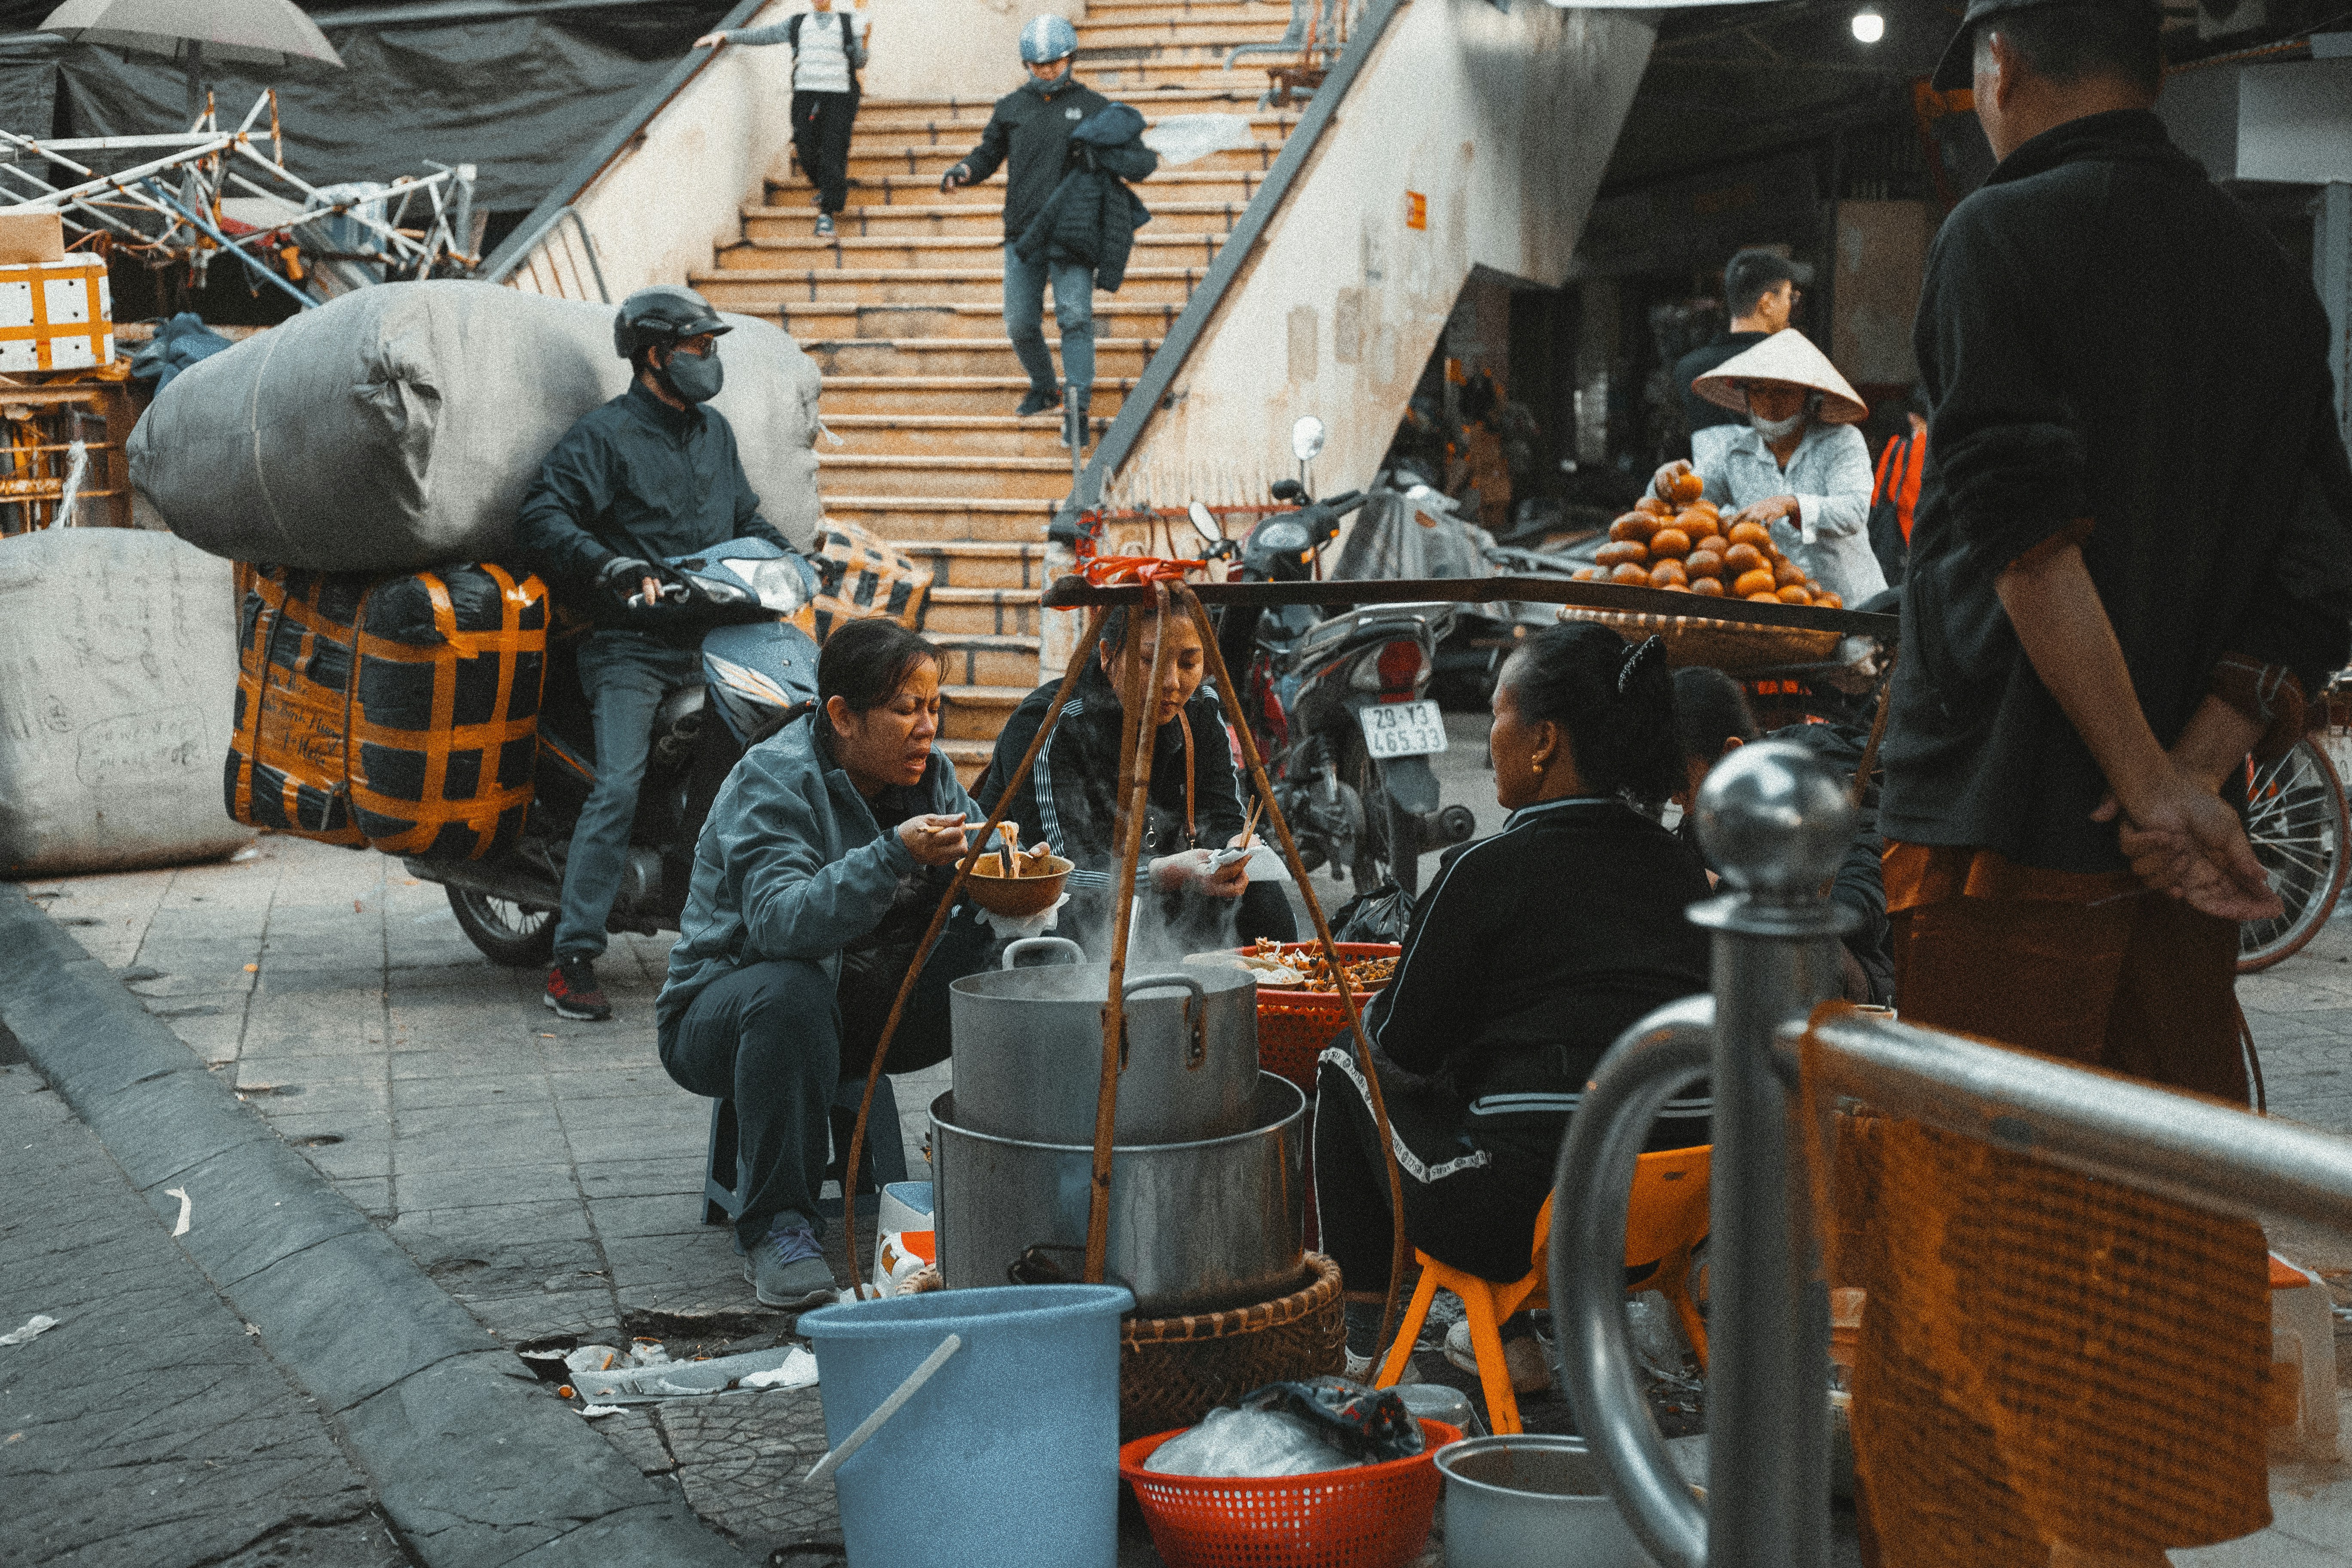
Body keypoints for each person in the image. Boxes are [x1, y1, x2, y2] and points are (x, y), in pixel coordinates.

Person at [1855, 2, 2352, 1564]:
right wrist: (2199, 777)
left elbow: (2019, 534)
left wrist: (2145, 781)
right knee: (2145, 1244)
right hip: (2162, 884)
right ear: (2159, 69)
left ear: (1997, 66)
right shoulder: (2266, 281)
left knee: (1974, 1262)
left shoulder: (1999, 236)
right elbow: (2315, 569)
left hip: (2006, 839)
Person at [1314, 626, 1712, 1390]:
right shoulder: (1679, 866)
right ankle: (1507, 1332)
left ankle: (1357, 1343)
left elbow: (1401, 1046)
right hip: (1675, 1210)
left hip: (1526, 1215)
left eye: (1498, 714)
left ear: (1542, 740)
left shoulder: (1483, 869)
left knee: (1345, 1058)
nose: (1490, 734)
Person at [656, 620, 993, 1308]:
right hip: (725, 1014)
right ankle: (777, 1225)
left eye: (934, 708)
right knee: (790, 992)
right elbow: (781, 924)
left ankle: (1008, 1189)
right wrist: (892, 853)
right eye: (906, 710)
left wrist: (1149, 881)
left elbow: (1000, 865)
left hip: (865, 1004)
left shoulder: (933, 779)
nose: (927, 729)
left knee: (1011, 953)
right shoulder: (776, 779)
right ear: (841, 715)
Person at [515, 285, 799, 1023]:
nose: (710, 360)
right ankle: (573, 955)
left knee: (767, 759)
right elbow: (544, 512)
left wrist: (788, 556)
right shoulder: (604, 437)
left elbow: (745, 517)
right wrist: (604, 564)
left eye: (712, 347)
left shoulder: (715, 435)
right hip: (629, 646)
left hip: (712, 636)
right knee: (617, 784)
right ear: (652, 355)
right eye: (697, 347)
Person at [976, 604, 1295, 951]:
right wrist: (1163, 873)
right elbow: (1059, 872)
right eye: (1151, 662)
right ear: (1107, 654)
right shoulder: (1048, 725)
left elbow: (1223, 819)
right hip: (1051, 912)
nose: (1173, 683)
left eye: (1189, 664)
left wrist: (1233, 850)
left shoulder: (1200, 711)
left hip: (1167, 895)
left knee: (1264, 899)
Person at [1669, 666, 1892, 1004]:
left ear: (1730, 753)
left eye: (1681, 776)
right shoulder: (1715, 809)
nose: (1674, 797)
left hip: (1847, 982)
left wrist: (1719, 888)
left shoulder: (1818, 788)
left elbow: (1860, 908)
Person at [937, 16, 1112, 426]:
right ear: (1026, 65)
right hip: (1023, 235)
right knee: (1019, 323)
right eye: (1037, 65)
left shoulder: (1094, 108)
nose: (1047, 71)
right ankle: (1045, 386)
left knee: (1075, 317)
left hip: (1072, 234)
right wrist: (963, 171)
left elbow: (1112, 167)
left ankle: (1078, 405)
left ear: (1071, 58)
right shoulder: (1011, 108)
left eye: (1054, 62)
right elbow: (987, 154)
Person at [1652, 328, 1886, 606]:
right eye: (1760, 391)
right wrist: (1666, 483)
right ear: (1746, 397)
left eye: (1785, 392)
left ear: (1809, 396)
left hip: (1851, 604)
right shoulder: (1734, 452)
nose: (1771, 404)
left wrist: (1790, 504)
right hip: (1779, 610)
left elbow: (1854, 510)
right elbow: (1691, 502)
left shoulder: (1841, 440)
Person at [696, 1, 871, 239]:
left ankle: (827, 213)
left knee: (834, 150)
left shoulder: (848, 22)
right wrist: (727, 35)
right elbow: (763, 36)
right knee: (804, 146)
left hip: (840, 96)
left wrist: (862, 42)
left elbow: (860, 62)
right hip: (806, 93)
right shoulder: (798, 23)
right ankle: (830, 186)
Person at [1673, 249, 1813, 443]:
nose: (1792, 306)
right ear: (1768, 303)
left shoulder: (1687, 369)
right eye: (1790, 297)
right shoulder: (1792, 363)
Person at [1865, 384, 1929, 586]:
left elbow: (1877, 497)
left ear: (1911, 416)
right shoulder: (1946, 449)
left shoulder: (1898, 446)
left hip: (1894, 540)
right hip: (1928, 542)